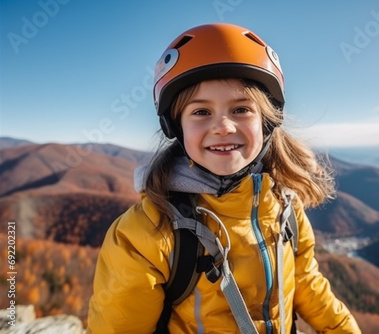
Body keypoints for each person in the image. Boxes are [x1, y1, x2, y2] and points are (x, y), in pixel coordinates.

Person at [87, 23, 361, 333]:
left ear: (267, 122)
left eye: (241, 109)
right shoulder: (144, 234)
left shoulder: (284, 208)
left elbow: (306, 283)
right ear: (176, 127)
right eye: (201, 112)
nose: (223, 126)